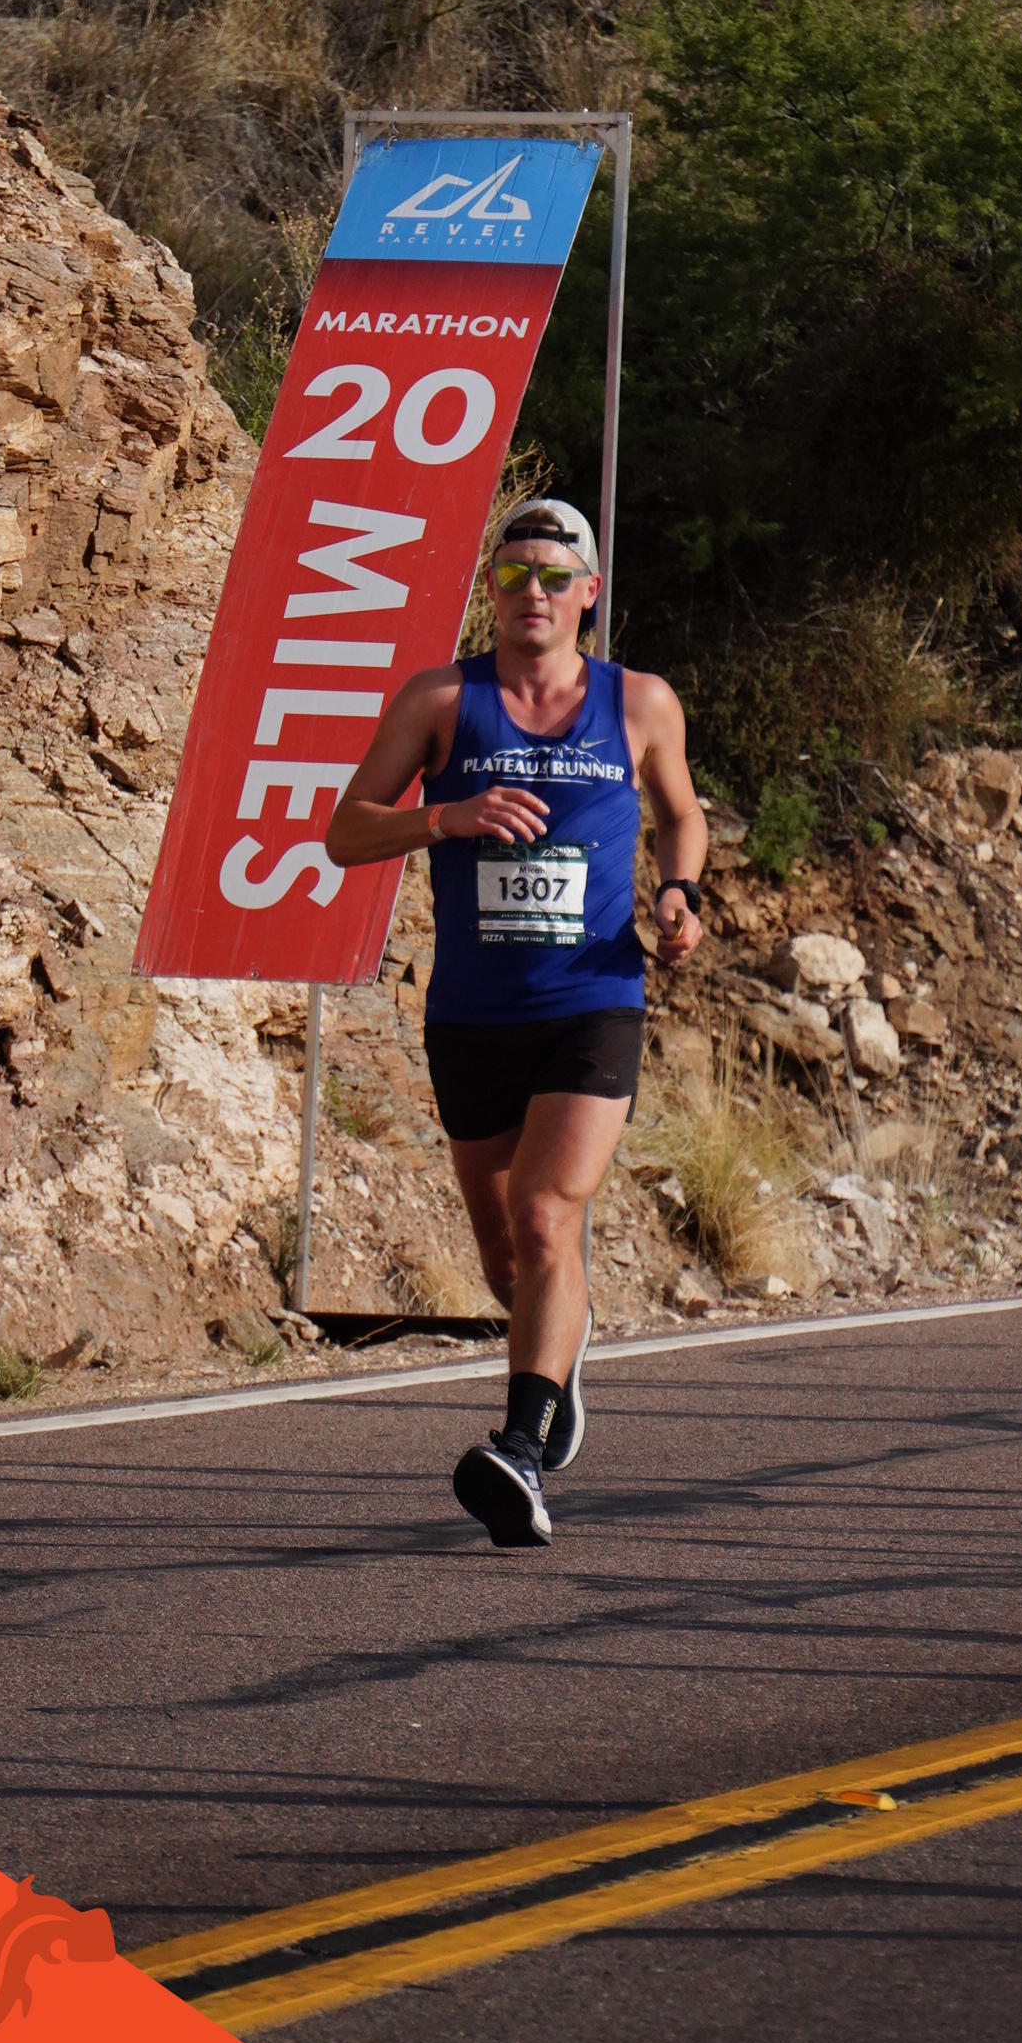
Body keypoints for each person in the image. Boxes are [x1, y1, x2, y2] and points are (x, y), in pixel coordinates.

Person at [326, 499, 707, 1547]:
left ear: (588, 592)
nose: (531, 592)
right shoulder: (442, 699)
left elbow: (681, 812)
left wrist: (680, 894)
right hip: (471, 1013)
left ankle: (521, 1453)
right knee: (508, 1260)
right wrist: (445, 815)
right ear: (491, 591)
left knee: (546, 1218)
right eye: (511, 575)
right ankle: (557, 1363)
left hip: (593, 999)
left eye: (552, 575)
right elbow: (345, 831)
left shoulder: (639, 702)